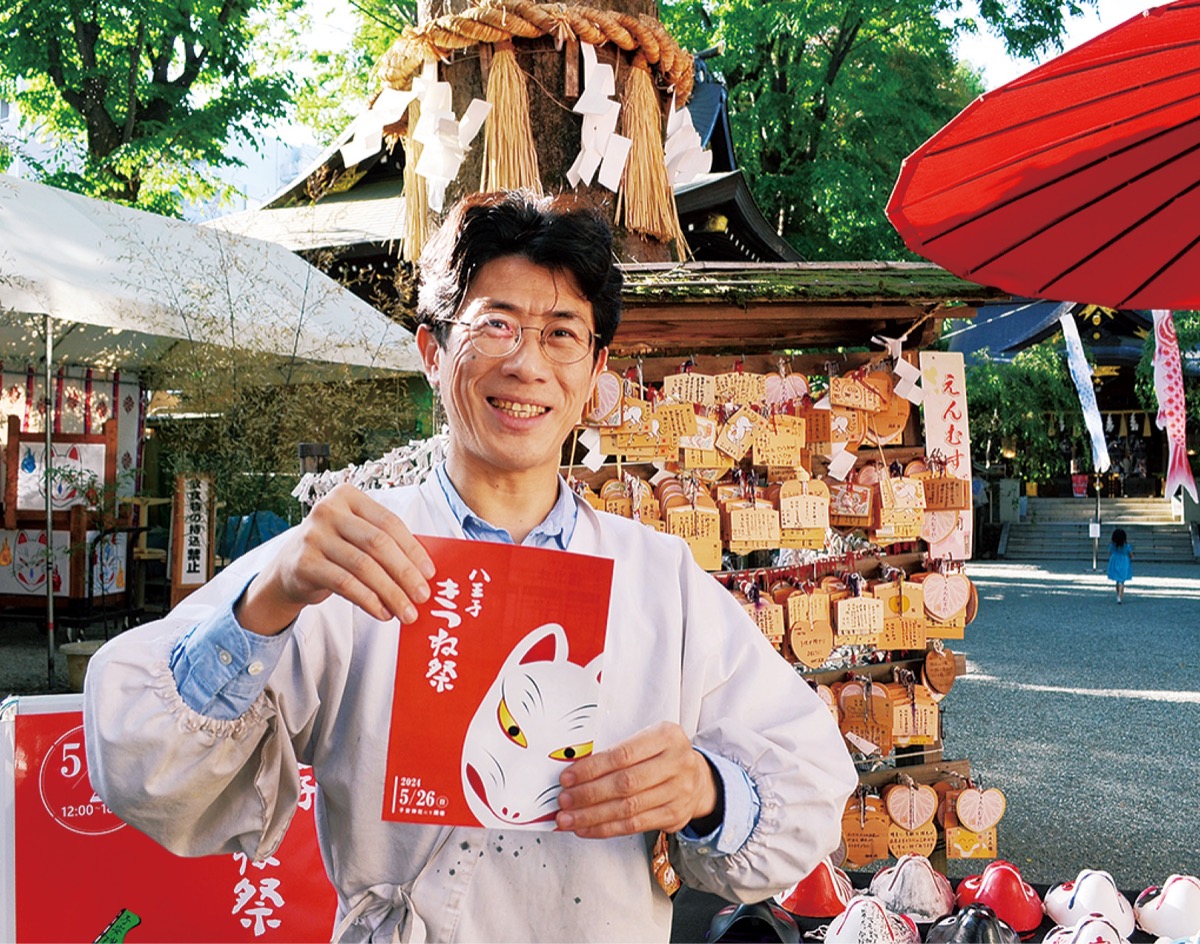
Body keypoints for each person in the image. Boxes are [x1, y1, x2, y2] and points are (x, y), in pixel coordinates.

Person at [83, 191, 857, 942]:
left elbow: (809, 783)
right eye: (496, 324)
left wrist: (706, 791)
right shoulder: (346, 560)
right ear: (432, 351)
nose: (527, 364)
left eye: (562, 334)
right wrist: (272, 595)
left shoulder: (659, 581)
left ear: (594, 373)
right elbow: (145, 768)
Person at [1106, 527, 1133, 603]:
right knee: (1122, 580)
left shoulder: (1112, 545)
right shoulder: (1127, 546)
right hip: (1124, 562)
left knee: (1117, 580)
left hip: (1114, 561)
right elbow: (1131, 554)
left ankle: (1118, 594)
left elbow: (1110, 553)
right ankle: (1120, 596)